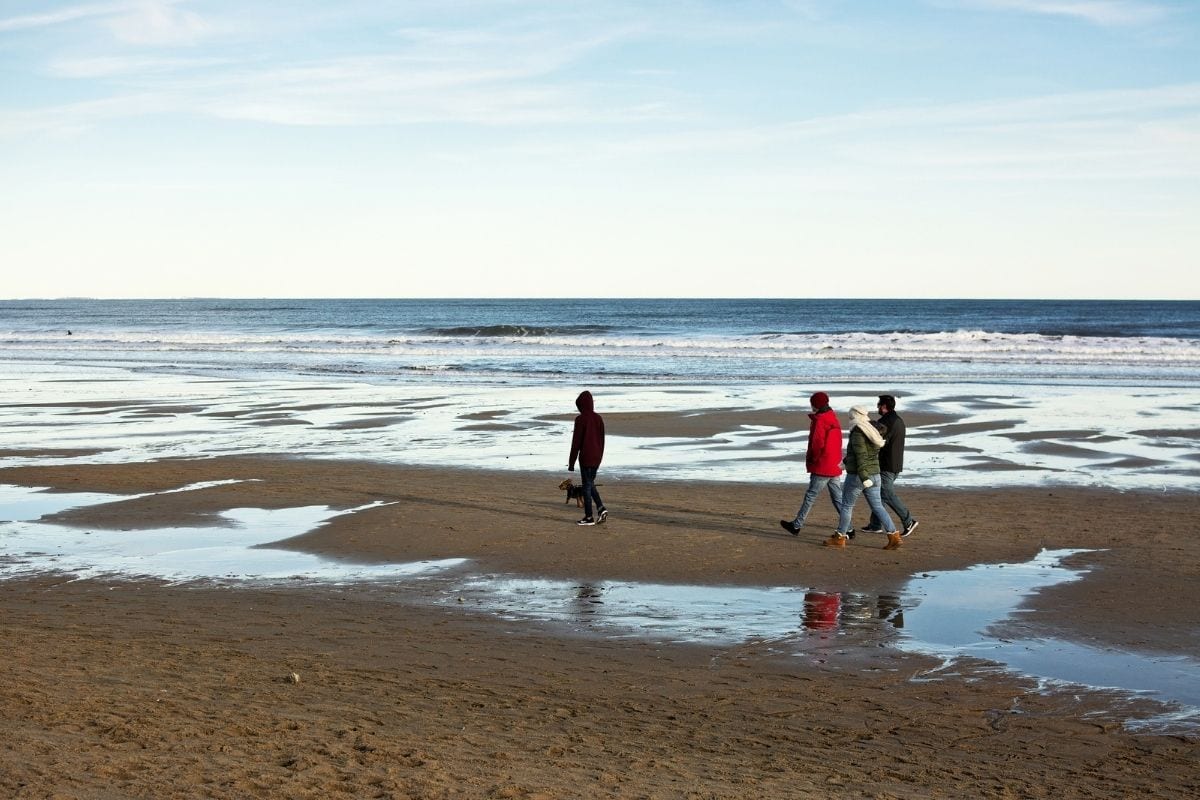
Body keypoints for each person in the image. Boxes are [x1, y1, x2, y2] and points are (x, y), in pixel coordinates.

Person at [830, 405, 899, 549]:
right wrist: (845, 462)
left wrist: (863, 476)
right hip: (875, 474)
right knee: (878, 506)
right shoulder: (872, 429)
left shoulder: (858, 431)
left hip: (859, 476)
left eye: (850, 416)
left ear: (855, 416)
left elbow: (861, 456)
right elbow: (863, 454)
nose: (849, 418)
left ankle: (840, 537)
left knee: (847, 506)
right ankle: (894, 536)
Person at [779, 391, 845, 537]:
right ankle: (849, 527)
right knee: (837, 498)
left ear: (815, 405)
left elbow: (817, 444)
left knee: (811, 496)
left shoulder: (820, 420)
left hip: (823, 465)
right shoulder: (832, 417)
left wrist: (813, 460)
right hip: (834, 463)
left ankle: (797, 525)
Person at [863, 395, 919, 537]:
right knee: (879, 493)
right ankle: (875, 524)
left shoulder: (886, 422)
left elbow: (879, 443)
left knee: (885, 493)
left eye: (878, 405)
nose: (877, 407)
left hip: (887, 464)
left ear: (884, 406)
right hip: (895, 463)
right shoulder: (899, 420)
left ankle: (908, 521)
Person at [568, 390, 607, 526]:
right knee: (589, 484)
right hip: (597, 457)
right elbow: (602, 441)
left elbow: (576, 443)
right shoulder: (599, 419)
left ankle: (589, 517)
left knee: (586, 486)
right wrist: (600, 457)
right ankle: (601, 509)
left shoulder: (580, 419)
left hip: (586, 457)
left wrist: (571, 463)